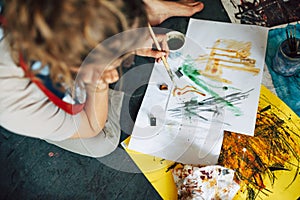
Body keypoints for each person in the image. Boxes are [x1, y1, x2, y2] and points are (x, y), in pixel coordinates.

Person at [0, 0, 204, 158]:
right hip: (35, 98)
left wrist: (129, 37)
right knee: (102, 142)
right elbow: (90, 126)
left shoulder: (49, 13)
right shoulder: (16, 102)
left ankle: (146, 10)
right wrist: (99, 83)